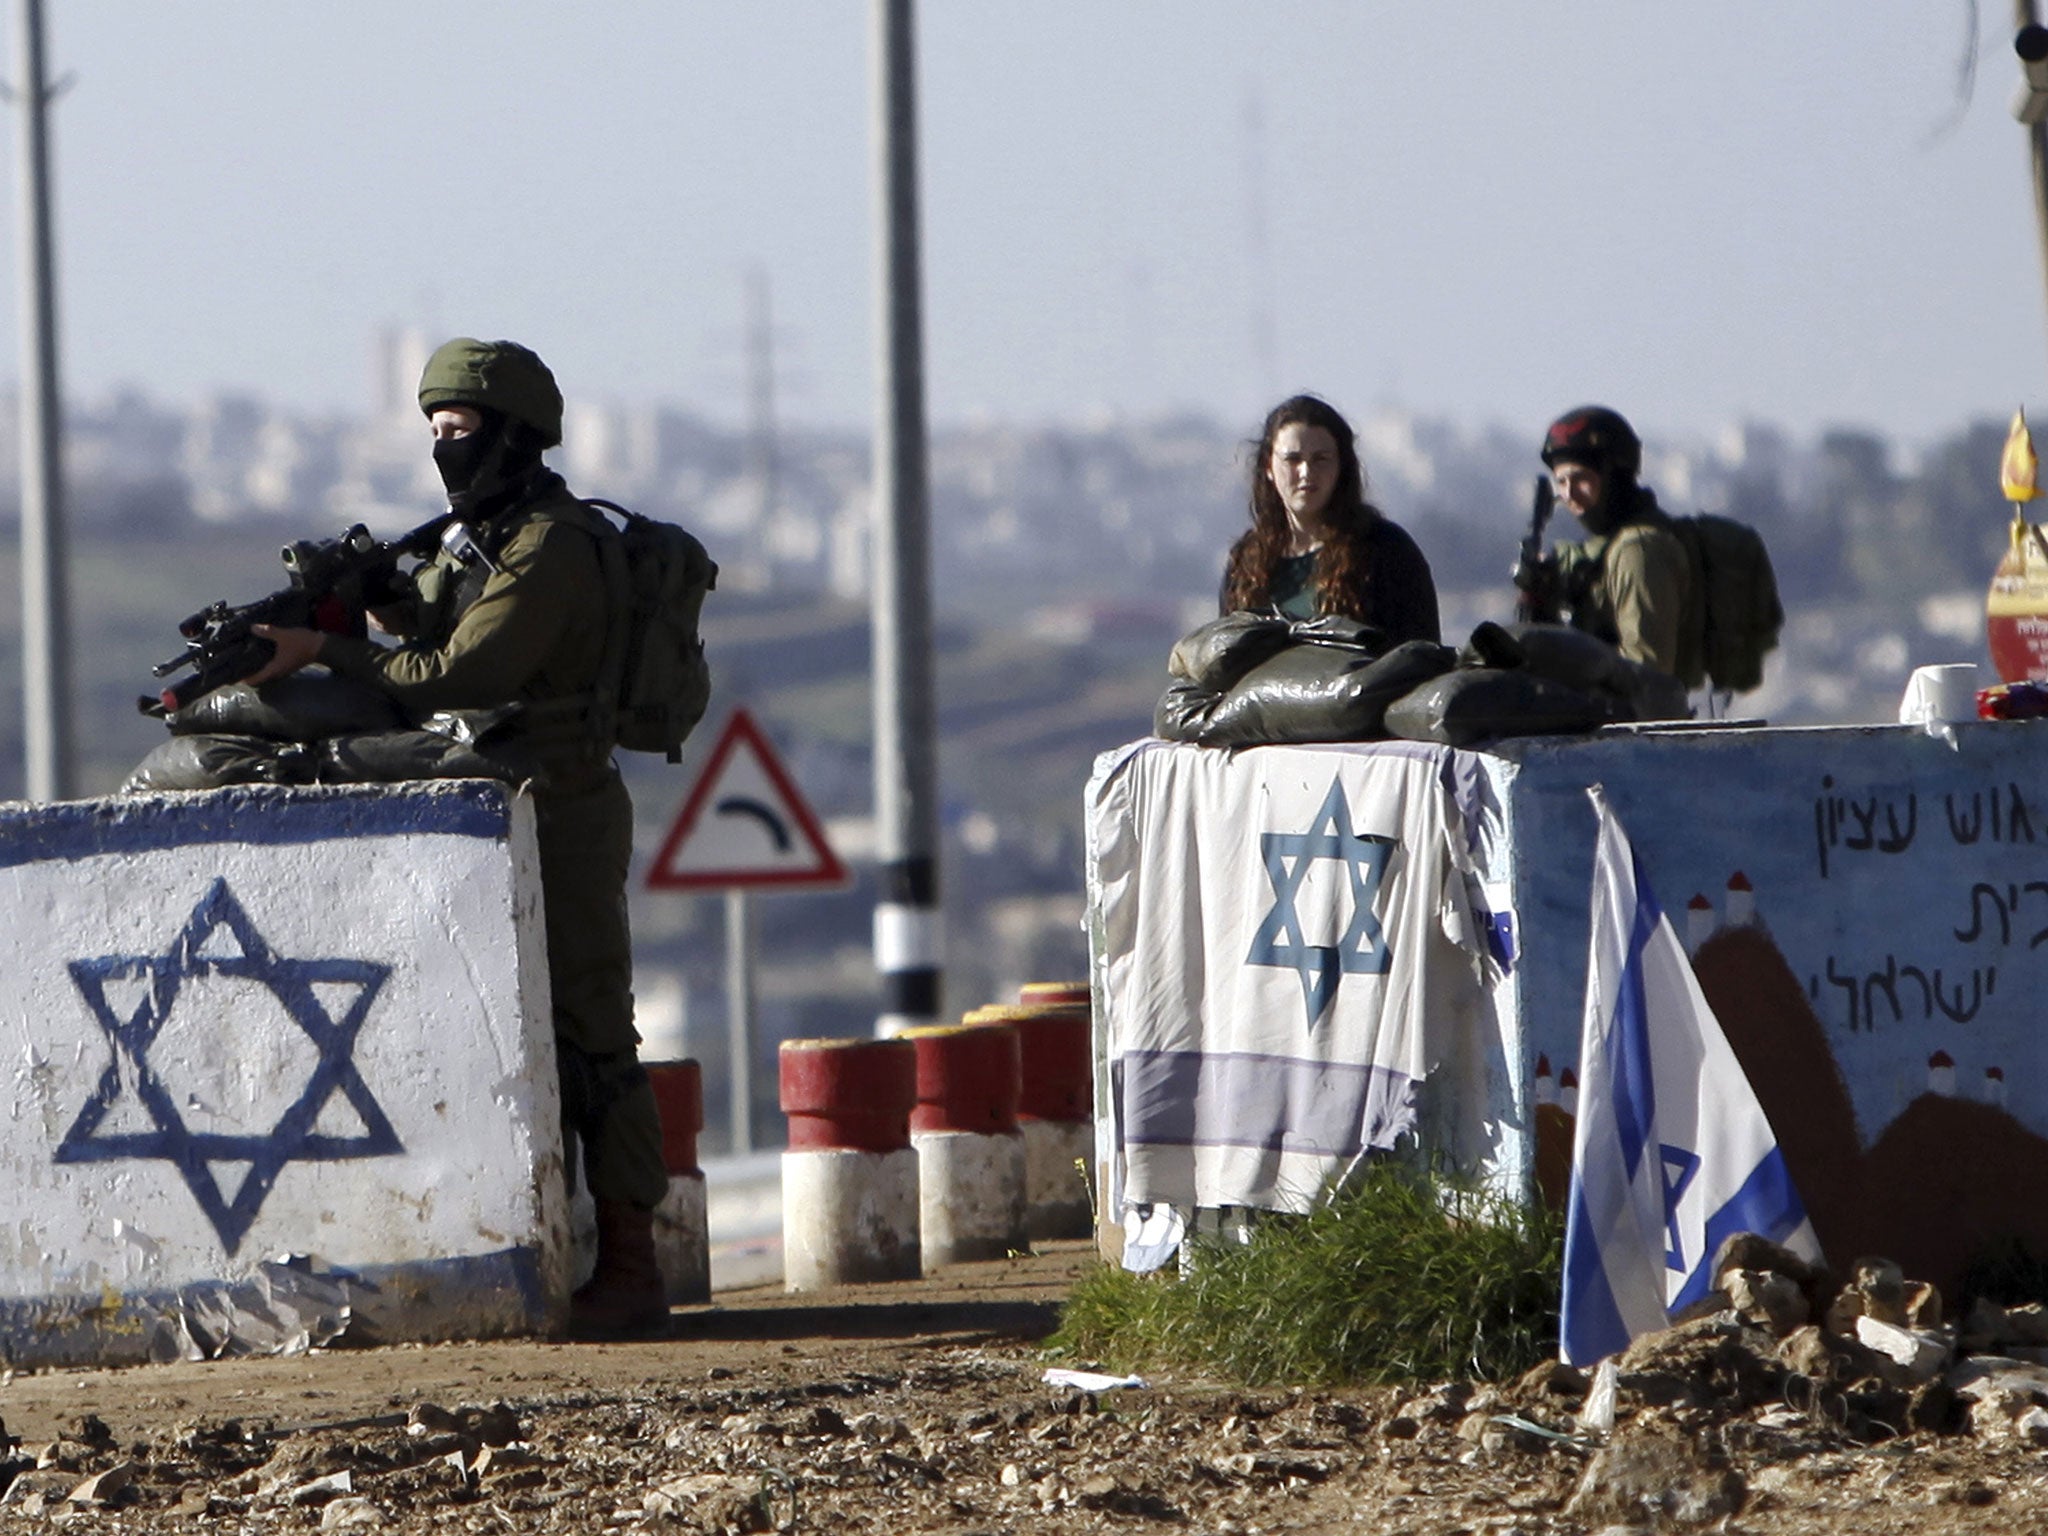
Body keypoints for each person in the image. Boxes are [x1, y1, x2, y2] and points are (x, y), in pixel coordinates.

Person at [244, 337, 670, 1337]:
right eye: (433, 432)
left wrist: (329, 650)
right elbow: (436, 632)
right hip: (487, 804)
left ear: (517, 433)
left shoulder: (551, 545)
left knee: (590, 1025)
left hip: (560, 802)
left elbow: (460, 675)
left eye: (462, 430)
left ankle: (635, 1263)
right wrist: (371, 598)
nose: (446, 450)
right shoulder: (480, 540)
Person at [1220, 394, 1441, 644]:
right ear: (1269, 467)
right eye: (1293, 460)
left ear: (1341, 467)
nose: (1306, 473)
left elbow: (1421, 655)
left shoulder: (1385, 550)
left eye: (1320, 459)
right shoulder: (1246, 563)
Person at [1517, 405, 1697, 680]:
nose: (1569, 494)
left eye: (1581, 479)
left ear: (1615, 476)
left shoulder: (1640, 551)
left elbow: (1648, 674)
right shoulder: (1597, 553)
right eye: (1561, 482)